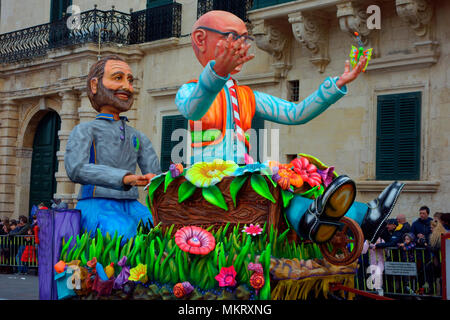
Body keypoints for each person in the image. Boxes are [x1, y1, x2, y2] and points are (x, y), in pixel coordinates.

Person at [176, 10, 404, 245]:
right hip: (210, 176)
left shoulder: (247, 96)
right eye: (233, 37)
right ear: (201, 40)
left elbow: (295, 113)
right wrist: (216, 73)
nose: (242, 46)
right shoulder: (191, 90)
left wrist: (337, 84)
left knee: (304, 177)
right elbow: (193, 108)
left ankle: (362, 216)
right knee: (275, 181)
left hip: (240, 173)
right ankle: (317, 219)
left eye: (245, 38)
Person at [65, 55, 162, 241]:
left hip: (132, 203)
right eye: (118, 78)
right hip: (95, 203)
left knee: (157, 229)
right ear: (95, 85)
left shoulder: (137, 136)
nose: (126, 86)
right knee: (123, 231)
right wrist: (125, 178)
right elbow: (76, 168)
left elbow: (156, 176)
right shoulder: (85, 130)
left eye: (130, 80)